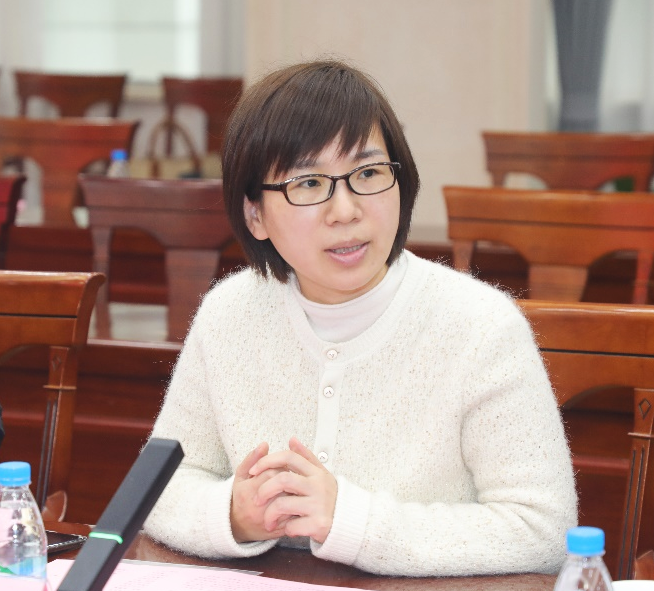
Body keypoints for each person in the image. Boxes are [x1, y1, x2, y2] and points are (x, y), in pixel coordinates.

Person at [144, 59, 577, 577]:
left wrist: (353, 523)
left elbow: (543, 529)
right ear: (255, 214)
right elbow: (158, 489)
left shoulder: (481, 326)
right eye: (308, 183)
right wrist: (235, 516)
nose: (345, 210)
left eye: (368, 174)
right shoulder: (228, 314)